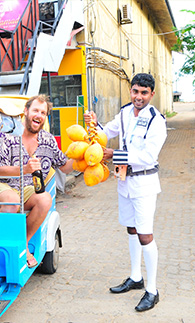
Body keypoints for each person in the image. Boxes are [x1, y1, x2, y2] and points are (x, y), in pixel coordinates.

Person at [84, 73, 167, 312]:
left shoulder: (156, 121)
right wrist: (94, 123)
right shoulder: (124, 113)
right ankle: (135, 277)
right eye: (135, 91)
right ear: (130, 91)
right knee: (131, 229)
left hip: (144, 183)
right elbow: (106, 132)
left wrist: (113, 155)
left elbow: (149, 156)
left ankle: (152, 290)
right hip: (124, 181)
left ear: (151, 94)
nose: (138, 97)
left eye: (143, 93)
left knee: (145, 234)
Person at [0, 94, 74, 268]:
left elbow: (64, 166)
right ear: (26, 111)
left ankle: (23, 242)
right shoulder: (7, 135)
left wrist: (83, 159)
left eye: (43, 112)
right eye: (35, 110)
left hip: (29, 188)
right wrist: (24, 169)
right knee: (12, 202)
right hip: (3, 185)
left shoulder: (48, 140)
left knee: (45, 199)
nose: (39, 115)